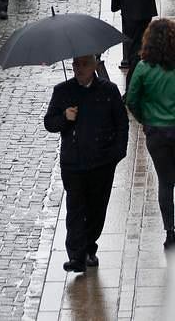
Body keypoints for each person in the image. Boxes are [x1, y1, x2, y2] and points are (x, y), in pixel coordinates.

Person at [44, 55, 129, 273]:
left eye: (83, 64)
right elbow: (50, 123)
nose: (78, 69)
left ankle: (90, 246)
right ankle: (76, 256)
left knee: (96, 207)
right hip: (73, 162)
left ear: (93, 66)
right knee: (75, 208)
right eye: (75, 65)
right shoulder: (62, 91)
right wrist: (64, 117)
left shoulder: (108, 91)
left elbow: (121, 123)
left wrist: (117, 153)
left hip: (101, 163)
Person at [126, 18, 175, 249]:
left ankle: (170, 231)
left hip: (156, 132)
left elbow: (132, 100)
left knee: (165, 182)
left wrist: (144, 119)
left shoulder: (143, 69)